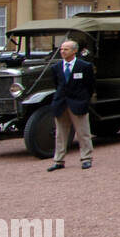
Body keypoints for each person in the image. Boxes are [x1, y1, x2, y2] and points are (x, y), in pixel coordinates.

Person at [47, 39, 94, 171]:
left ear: (74, 51)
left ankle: (86, 158)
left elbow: (90, 86)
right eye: (62, 49)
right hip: (61, 103)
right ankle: (58, 160)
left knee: (83, 133)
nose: (62, 51)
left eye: (66, 49)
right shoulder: (55, 67)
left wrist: (84, 100)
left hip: (78, 103)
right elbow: (57, 85)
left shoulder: (84, 66)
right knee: (60, 134)